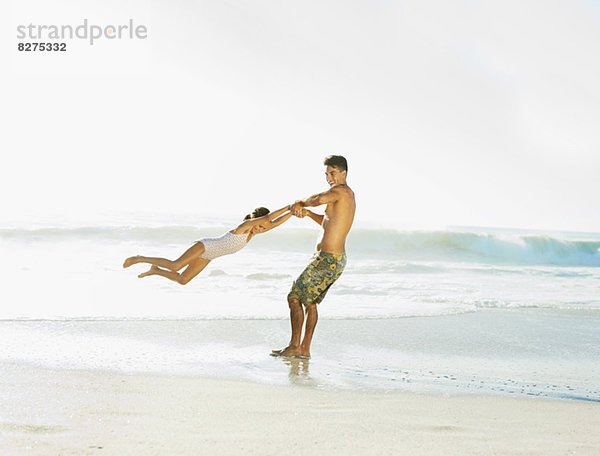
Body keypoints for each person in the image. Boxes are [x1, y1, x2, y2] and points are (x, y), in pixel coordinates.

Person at [272, 155, 356, 359]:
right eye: (327, 174)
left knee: (294, 297)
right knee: (310, 303)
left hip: (327, 259)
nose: (329, 177)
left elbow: (317, 200)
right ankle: (304, 349)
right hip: (334, 259)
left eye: (332, 173)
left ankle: (294, 347)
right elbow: (328, 222)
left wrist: (300, 202)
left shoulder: (340, 191)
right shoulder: (345, 196)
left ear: (343, 173)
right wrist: (309, 214)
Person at [123, 205, 292, 285]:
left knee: (183, 280)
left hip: (209, 256)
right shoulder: (244, 227)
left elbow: (274, 223)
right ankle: (139, 258)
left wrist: (293, 213)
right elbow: (270, 219)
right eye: (260, 225)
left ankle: (156, 271)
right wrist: (289, 206)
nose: (261, 229)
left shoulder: (253, 233)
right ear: (254, 221)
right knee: (175, 266)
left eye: (263, 228)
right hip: (205, 246)